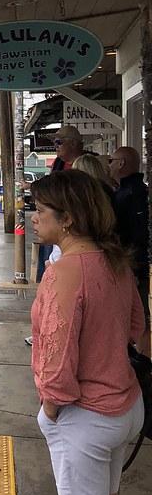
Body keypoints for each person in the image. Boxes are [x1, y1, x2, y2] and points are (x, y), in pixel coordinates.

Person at [29, 170, 145, 495]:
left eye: (41, 211)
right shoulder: (116, 263)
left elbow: (56, 358)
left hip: (85, 416)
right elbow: (138, 328)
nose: (34, 219)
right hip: (125, 405)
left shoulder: (65, 272)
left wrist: (52, 407)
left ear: (68, 220)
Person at [109, 146, 149, 350]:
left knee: (139, 316)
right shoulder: (124, 191)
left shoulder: (134, 193)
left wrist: (134, 268)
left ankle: (143, 363)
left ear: (121, 163)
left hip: (133, 267)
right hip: (126, 265)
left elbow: (139, 235)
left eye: (111, 161)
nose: (109, 166)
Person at [36, 127, 86, 284]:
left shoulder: (86, 164)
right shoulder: (57, 164)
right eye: (54, 142)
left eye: (59, 142)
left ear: (73, 143)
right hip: (57, 228)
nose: (55, 146)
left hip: (74, 229)